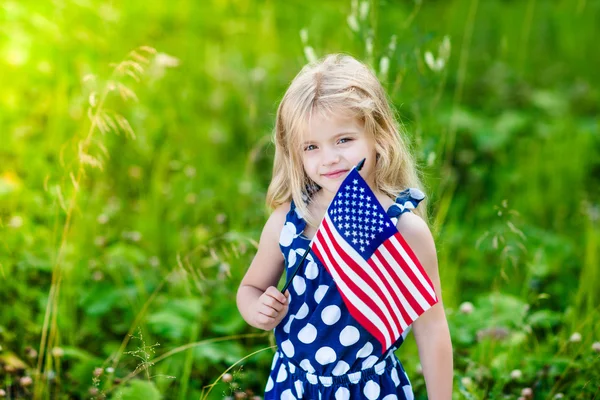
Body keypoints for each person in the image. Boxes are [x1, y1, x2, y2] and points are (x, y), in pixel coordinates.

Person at [236, 53, 453, 399]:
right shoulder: (289, 222)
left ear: (378, 136)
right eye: (311, 147)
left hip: (371, 388)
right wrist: (257, 310)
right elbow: (249, 288)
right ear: (296, 153)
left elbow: (431, 329)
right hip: (295, 387)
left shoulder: (403, 230)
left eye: (344, 140)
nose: (329, 158)